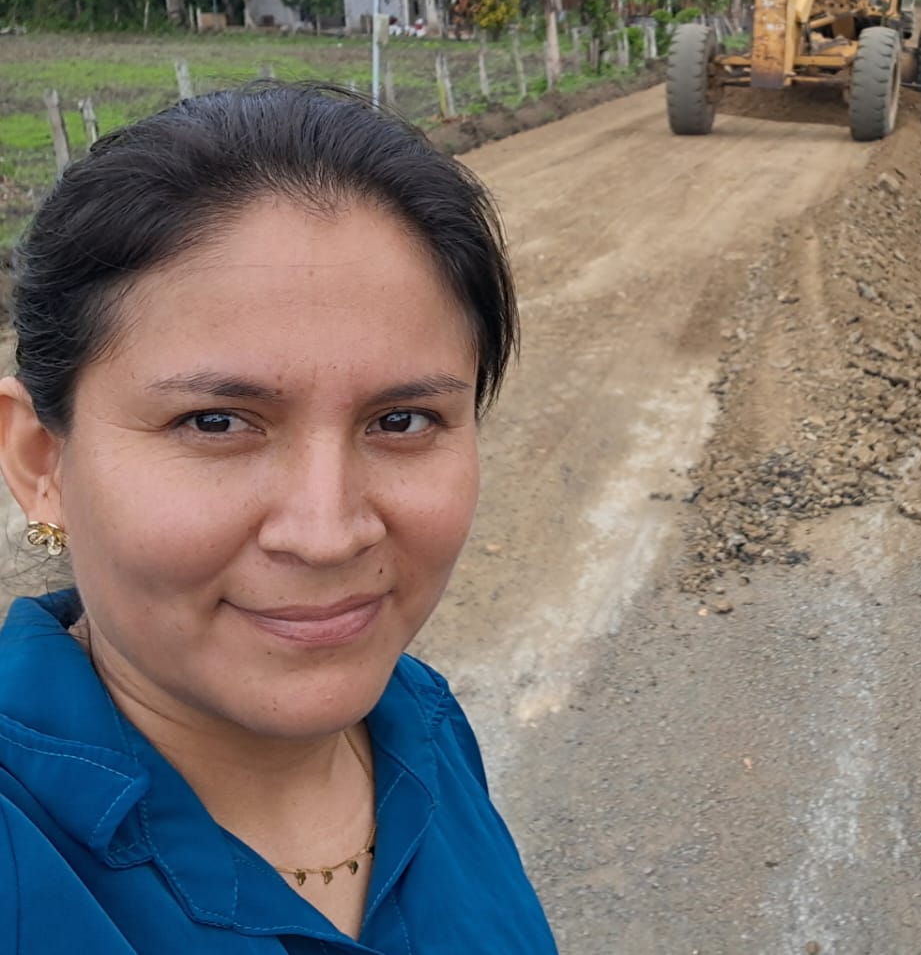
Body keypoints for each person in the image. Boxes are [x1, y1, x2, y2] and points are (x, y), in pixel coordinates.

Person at [0, 84, 559, 953]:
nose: (327, 533)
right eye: (215, 422)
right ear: (42, 461)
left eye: (401, 419)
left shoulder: (422, 721)